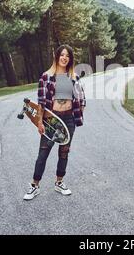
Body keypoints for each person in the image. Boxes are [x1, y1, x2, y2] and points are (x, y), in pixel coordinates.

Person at [24, 45, 86, 200]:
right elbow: (41, 102)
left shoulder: (72, 77)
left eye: (68, 56)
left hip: (68, 119)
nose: (64, 58)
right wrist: (40, 122)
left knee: (64, 152)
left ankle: (59, 182)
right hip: (52, 119)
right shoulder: (46, 76)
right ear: (57, 57)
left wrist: (78, 113)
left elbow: (81, 99)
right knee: (43, 153)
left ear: (70, 59)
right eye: (62, 55)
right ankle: (34, 185)